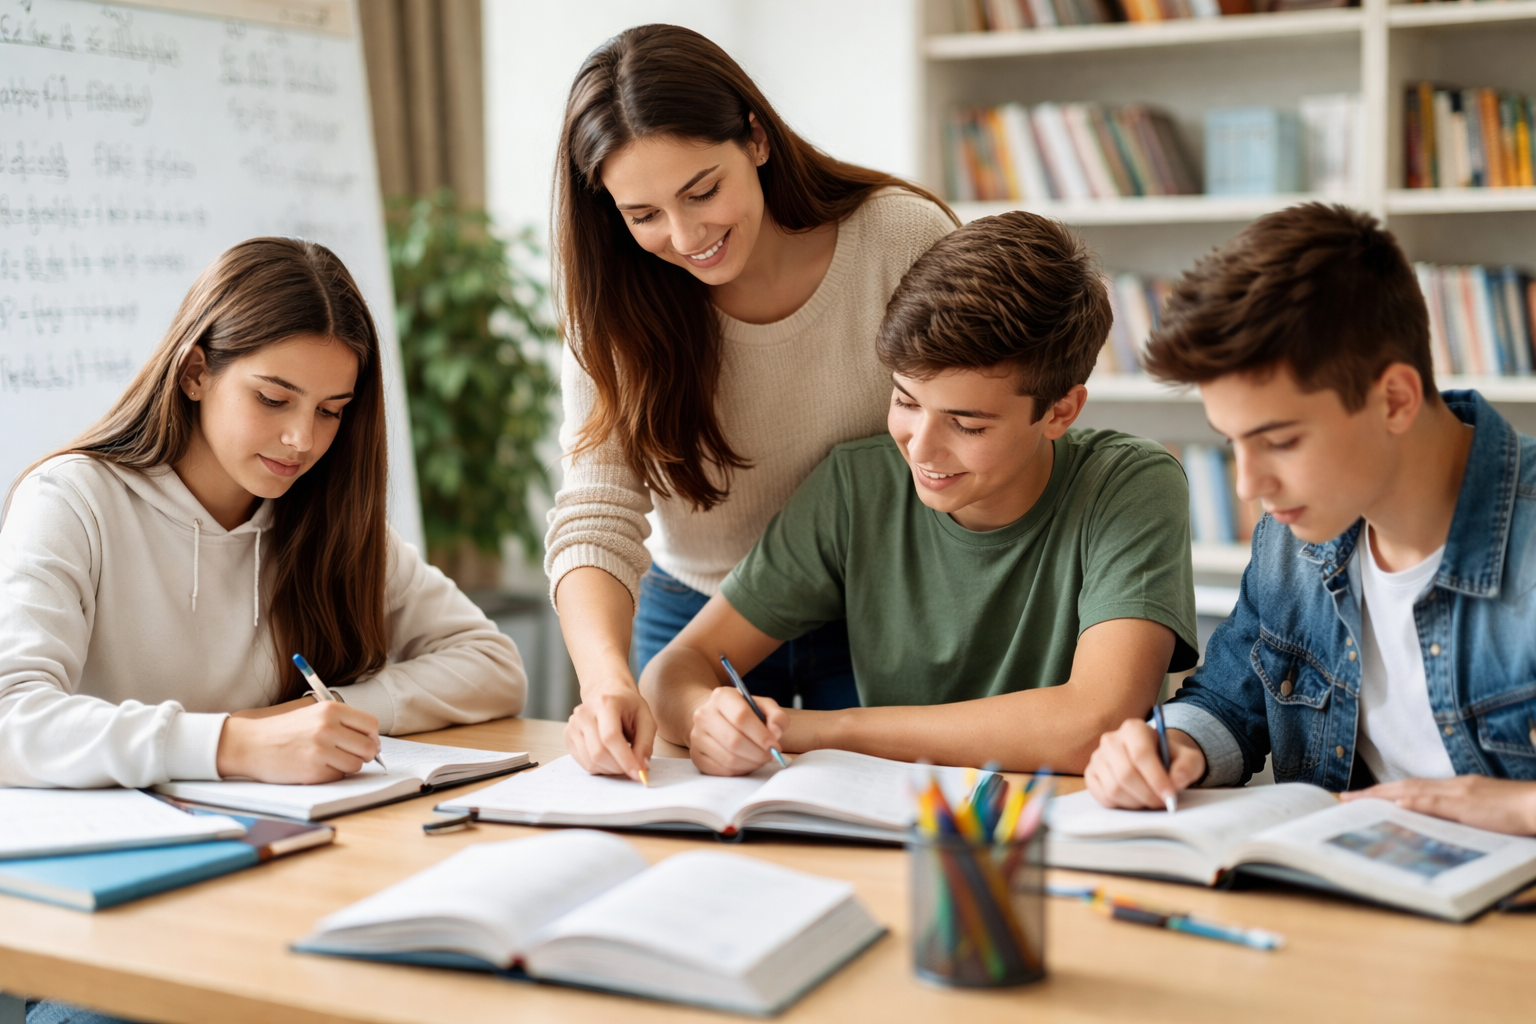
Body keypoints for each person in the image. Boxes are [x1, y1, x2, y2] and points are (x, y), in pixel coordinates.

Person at [639, 212, 1198, 774]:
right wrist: (704, 715)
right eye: (906, 401)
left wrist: (818, 727)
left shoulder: (1131, 485)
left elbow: (1095, 724)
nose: (921, 450)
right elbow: (675, 668)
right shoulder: (857, 486)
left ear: (1060, 412)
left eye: (968, 424)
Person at [547, 24, 958, 782]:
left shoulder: (898, 236)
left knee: (878, 819)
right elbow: (595, 505)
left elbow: (975, 424)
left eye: (702, 190)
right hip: (696, 618)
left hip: (877, 610)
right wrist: (606, 681)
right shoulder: (610, 306)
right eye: (643, 216)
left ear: (757, 139)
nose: (685, 234)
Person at [0, 237, 526, 791]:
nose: (302, 440)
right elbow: (10, 716)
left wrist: (322, 711)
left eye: (330, 412)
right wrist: (234, 741)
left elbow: (493, 666)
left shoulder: (326, 515)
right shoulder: (71, 501)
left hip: (283, 835)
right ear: (195, 373)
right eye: (273, 399)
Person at [1083, 203, 1536, 837]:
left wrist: (1518, 807)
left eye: (1281, 440)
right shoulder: (1295, 533)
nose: (1248, 485)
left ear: (1395, 399)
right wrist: (1167, 749)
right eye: (1233, 443)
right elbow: (1225, 703)